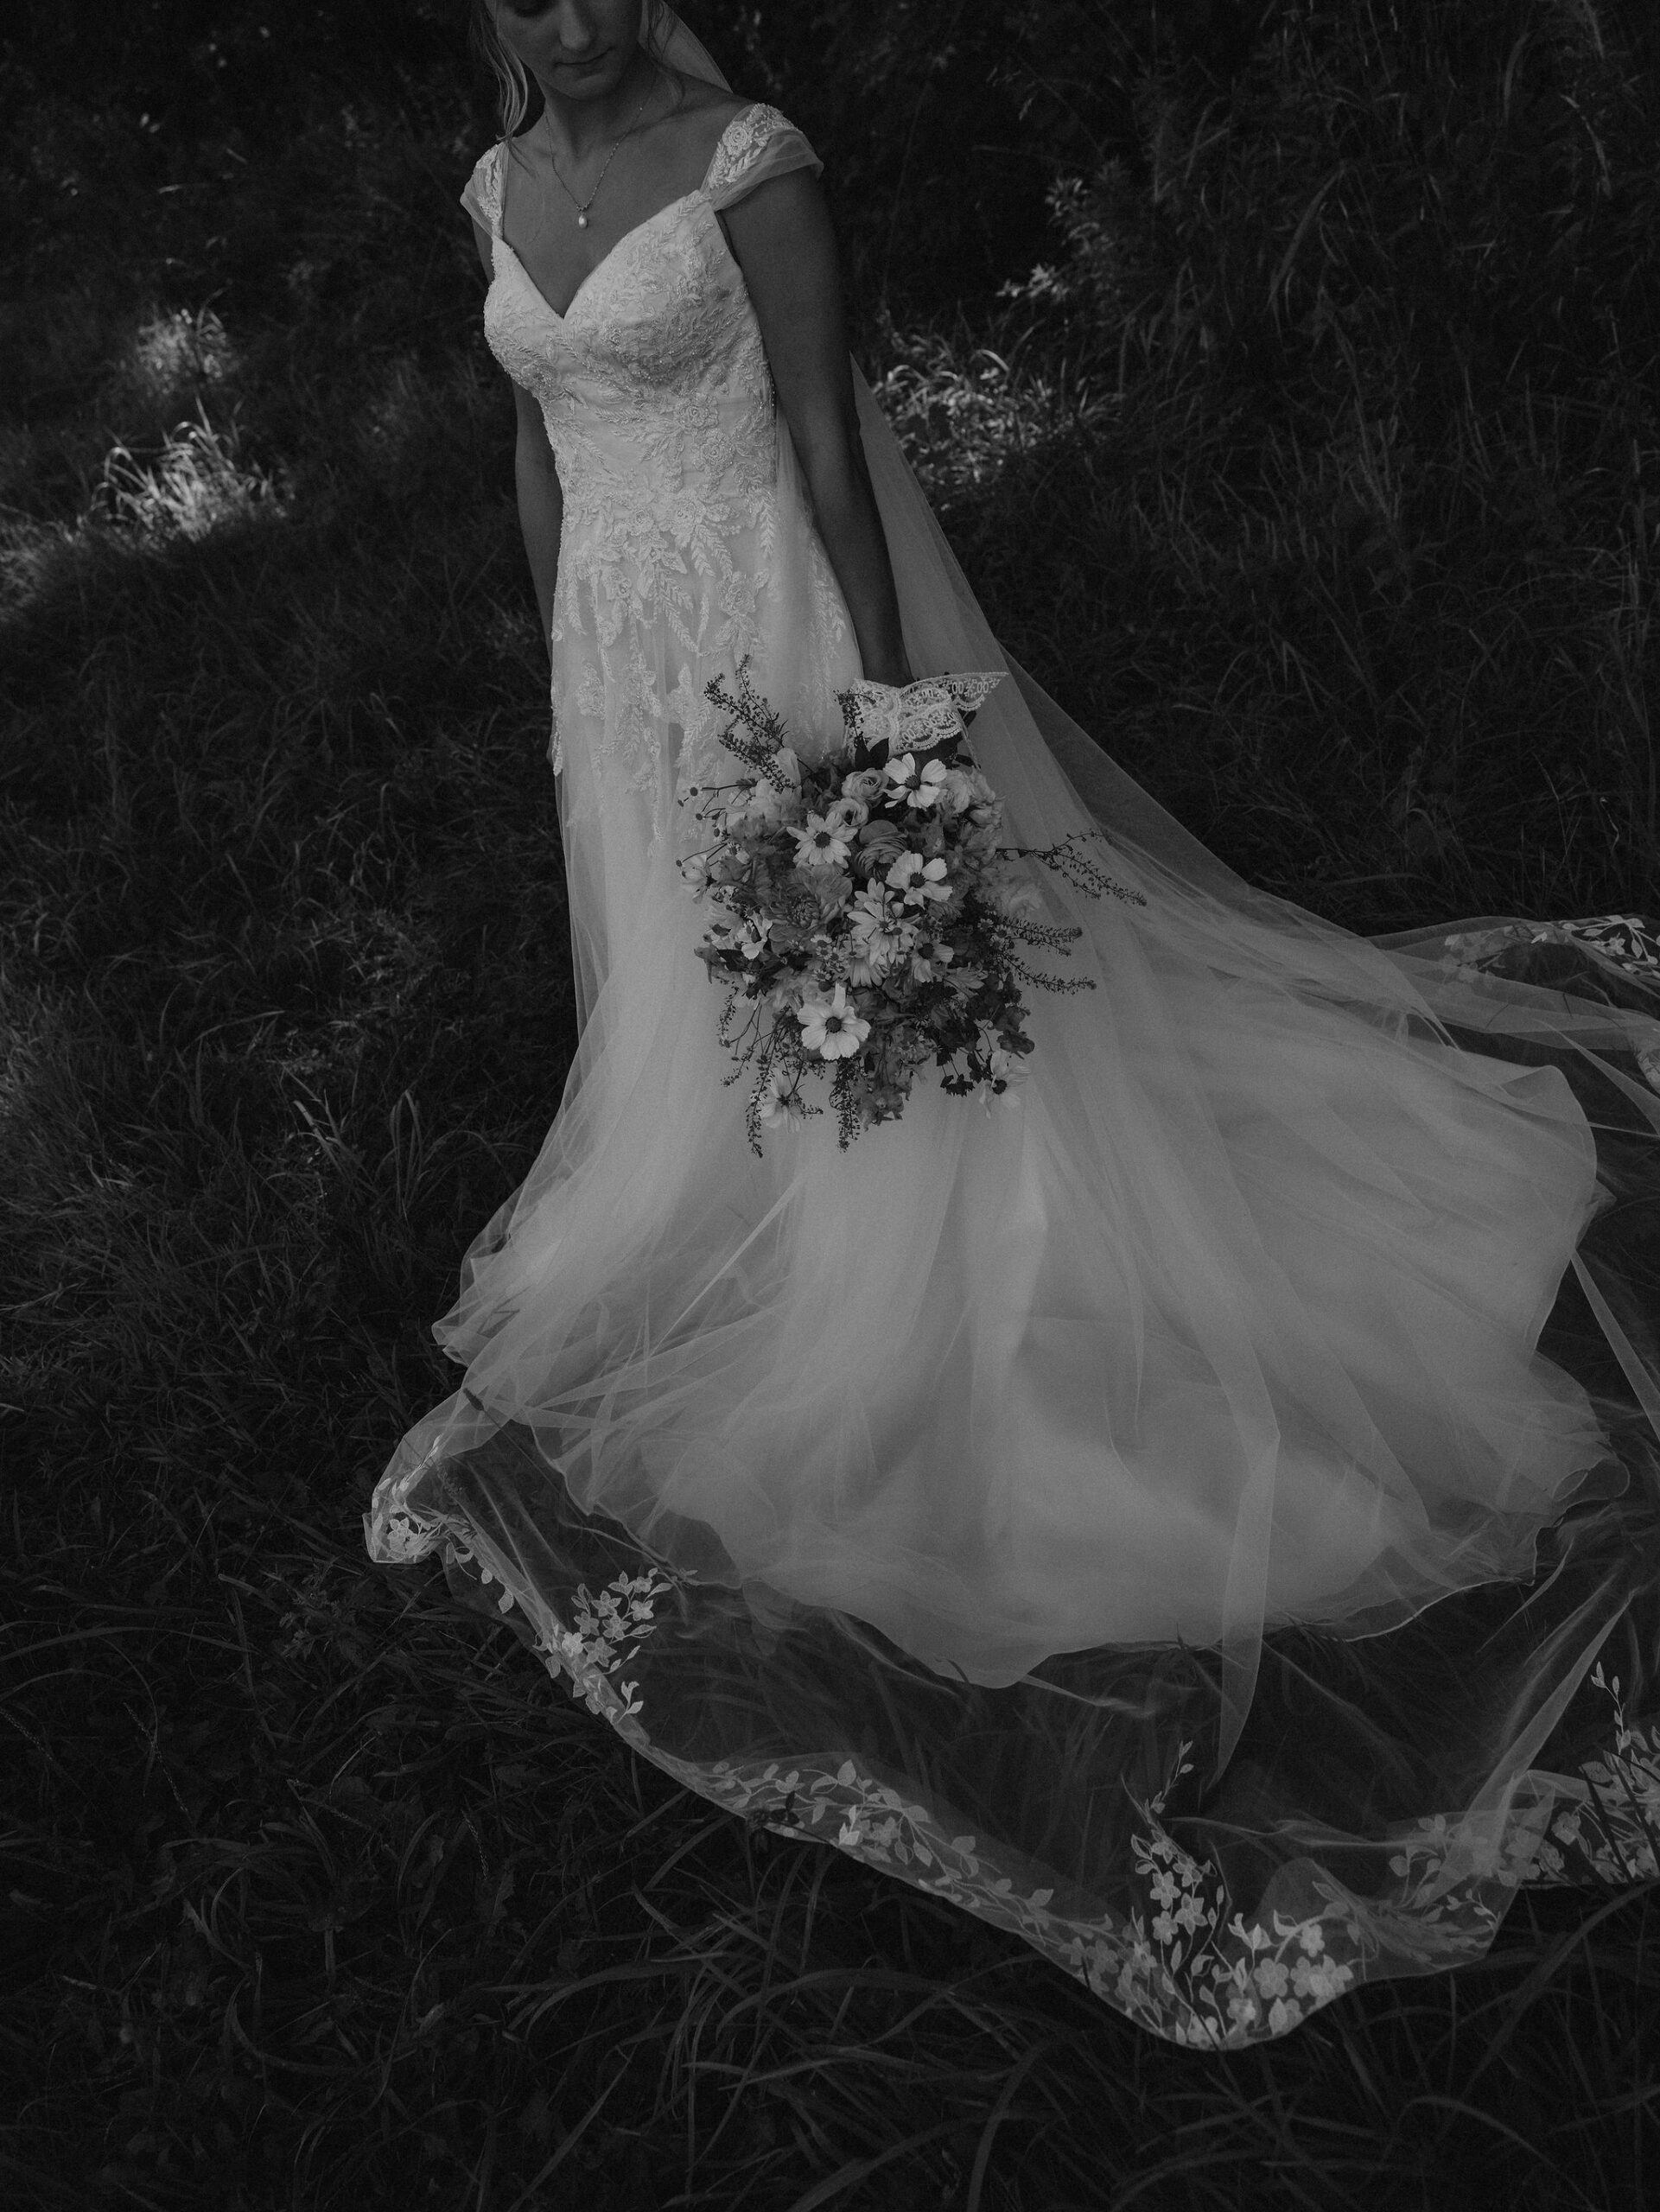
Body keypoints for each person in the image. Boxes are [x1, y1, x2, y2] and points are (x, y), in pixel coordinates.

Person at [367, 0, 1660, 2046]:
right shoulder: (492, 185)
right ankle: (735, 1181)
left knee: (845, 950)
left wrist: (891, 723)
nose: (574, 7)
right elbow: (540, 439)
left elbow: (818, 432)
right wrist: (558, 674)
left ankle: (910, 1233)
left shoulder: (749, 163)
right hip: (615, 640)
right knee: (695, 971)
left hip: (767, 616)